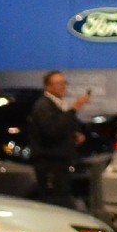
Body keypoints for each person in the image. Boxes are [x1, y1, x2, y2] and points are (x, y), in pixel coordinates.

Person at [27, 70, 90, 204]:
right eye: (58, 83)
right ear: (48, 86)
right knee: (54, 200)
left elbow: (64, 127)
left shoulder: (59, 104)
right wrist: (74, 109)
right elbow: (51, 131)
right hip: (50, 164)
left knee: (62, 197)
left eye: (64, 83)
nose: (63, 86)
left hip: (61, 162)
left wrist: (75, 135)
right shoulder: (43, 106)